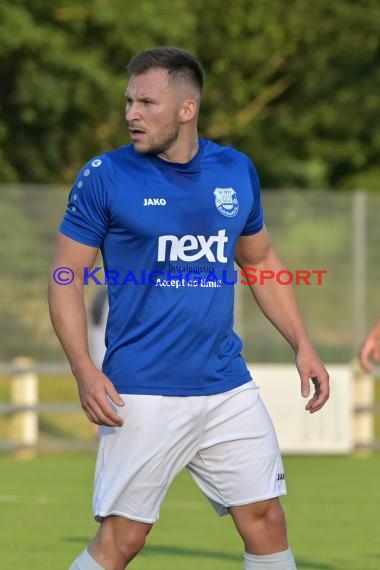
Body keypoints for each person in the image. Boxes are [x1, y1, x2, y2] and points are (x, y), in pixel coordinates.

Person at [48, 46, 329, 570]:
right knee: (123, 541)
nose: (132, 113)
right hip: (142, 389)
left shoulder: (235, 170)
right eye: (129, 101)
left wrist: (303, 344)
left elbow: (261, 259)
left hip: (226, 384)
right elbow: (65, 277)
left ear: (186, 109)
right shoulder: (106, 176)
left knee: (266, 519)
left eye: (148, 102)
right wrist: (83, 370)